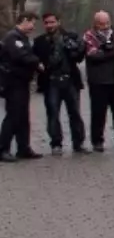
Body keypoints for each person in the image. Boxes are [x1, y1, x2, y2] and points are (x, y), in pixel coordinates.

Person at [33, 12, 88, 155]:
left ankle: (78, 143)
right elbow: (35, 60)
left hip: (70, 79)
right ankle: (56, 143)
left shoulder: (70, 37)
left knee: (75, 113)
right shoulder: (39, 41)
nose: (49, 25)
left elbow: (79, 57)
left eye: (52, 22)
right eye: (46, 23)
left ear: (58, 21)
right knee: (53, 113)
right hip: (51, 81)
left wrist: (75, 48)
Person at [83, 11, 114, 152]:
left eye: (107, 23)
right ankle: (97, 141)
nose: (105, 26)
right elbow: (94, 55)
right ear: (95, 23)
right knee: (98, 113)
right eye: (101, 24)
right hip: (98, 80)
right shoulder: (89, 36)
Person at [0, 12, 44, 161]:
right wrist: (37, 62)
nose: (33, 27)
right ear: (24, 21)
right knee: (13, 115)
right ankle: (2, 149)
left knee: (23, 116)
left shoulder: (22, 37)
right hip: (13, 82)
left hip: (22, 82)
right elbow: (20, 56)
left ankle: (23, 147)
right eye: (32, 23)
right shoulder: (13, 37)